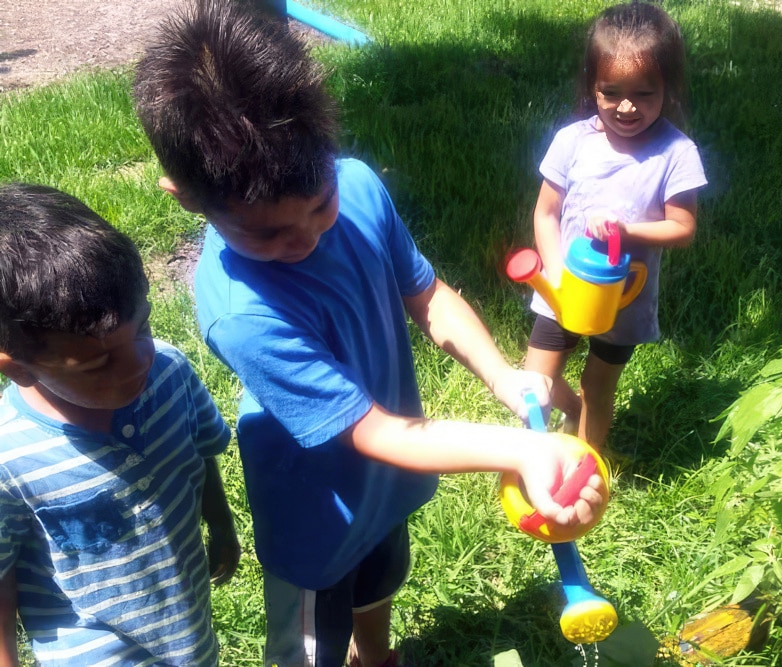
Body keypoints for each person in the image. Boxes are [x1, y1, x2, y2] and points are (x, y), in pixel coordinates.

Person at [131, 2, 607, 666]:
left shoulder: (355, 187)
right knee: (310, 643)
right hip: (314, 514)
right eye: (267, 232)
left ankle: (376, 656)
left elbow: (431, 296)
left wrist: (503, 376)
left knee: (380, 578)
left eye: (319, 205)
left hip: (388, 481)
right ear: (185, 196)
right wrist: (518, 452)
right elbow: (373, 431)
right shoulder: (240, 309)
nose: (306, 237)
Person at [0, 183, 239, 667]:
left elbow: (201, 454)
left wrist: (220, 522)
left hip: (186, 630)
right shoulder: (10, 455)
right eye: (97, 364)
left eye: (144, 329)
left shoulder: (170, 373)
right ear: (19, 368)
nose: (138, 363)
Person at [524, 1, 708, 448]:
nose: (626, 106)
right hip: (564, 286)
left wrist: (627, 232)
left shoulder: (676, 153)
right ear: (592, 86)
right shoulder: (573, 141)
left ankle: (584, 461)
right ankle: (532, 452)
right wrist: (554, 271)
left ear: (668, 88)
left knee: (598, 382)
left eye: (644, 94)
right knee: (534, 382)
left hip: (625, 296)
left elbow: (682, 228)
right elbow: (545, 212)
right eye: (611, 92)